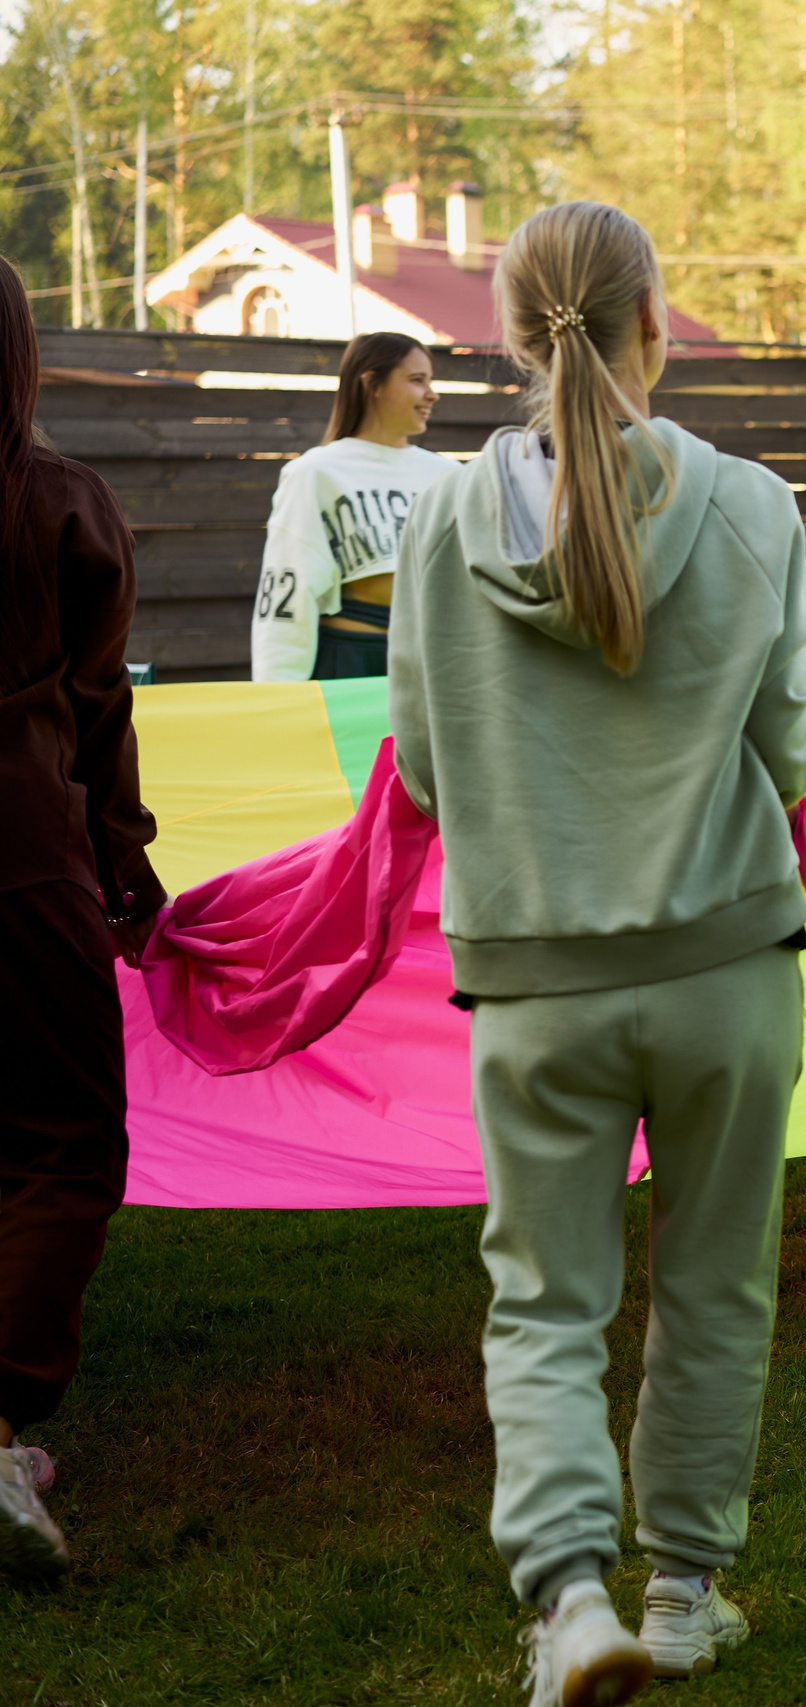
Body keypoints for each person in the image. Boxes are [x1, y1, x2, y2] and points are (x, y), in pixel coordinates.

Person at [387, 202, 806, 1700]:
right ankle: (688, 1590)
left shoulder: (441, 525)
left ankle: (571, 1598)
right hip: (729, 971)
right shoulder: (757, 507)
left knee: (545, 1302)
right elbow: (792, 744)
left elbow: (426, 764)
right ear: (657, 321)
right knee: (717, 1282)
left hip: (532, 981)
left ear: (509, 339)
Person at [0, 256, 166, 1584]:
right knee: (62, 1138)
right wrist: (125, 872)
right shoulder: (60, 502)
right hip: (19, 852)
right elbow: (101, 709)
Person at [250, 332, 454, 681]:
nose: (431, 394)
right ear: (372, 383)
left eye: (430, 381)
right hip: (352, 661)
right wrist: (278, 695)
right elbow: (288, 586)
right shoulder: (314, 472)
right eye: (417, 380)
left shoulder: (450, 475)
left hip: (437, 660)